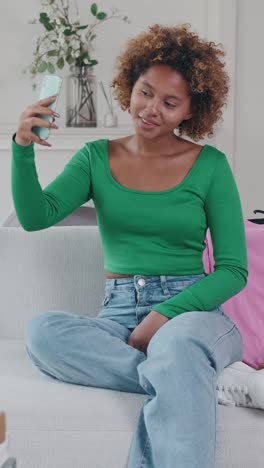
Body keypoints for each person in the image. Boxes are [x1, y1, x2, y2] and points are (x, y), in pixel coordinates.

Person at [11, 23, 248, 468]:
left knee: (177, 347)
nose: (150, 109)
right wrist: (22, 146)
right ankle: (192, 380)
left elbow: (234, 270)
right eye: (145, 92)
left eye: (169, 102)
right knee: (42, 333)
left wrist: (165, 315)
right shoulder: (95, 159)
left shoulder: (211, 166)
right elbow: (34, 216)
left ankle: (186, 366)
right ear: (128, 87)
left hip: (192, 314)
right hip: (119, 315)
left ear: (191, 110)